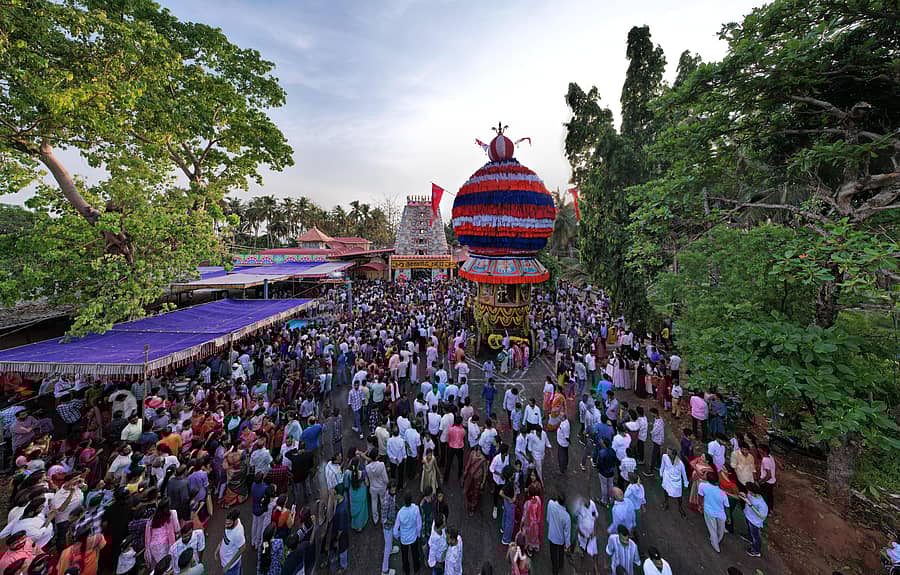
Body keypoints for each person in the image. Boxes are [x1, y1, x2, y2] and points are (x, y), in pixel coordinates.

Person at [699, 473, 729, 552]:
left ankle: (715, 545)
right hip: (721, 514)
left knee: (712, 529)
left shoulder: (702, 485)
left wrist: (701, 506)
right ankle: (717, 541)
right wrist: (728, 517)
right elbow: (727, 506)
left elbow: (700, 497)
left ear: (707, 479)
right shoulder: (722, 493)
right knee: (721, 530)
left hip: (709, 511)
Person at [393, 493, 422, 575]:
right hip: (414, 537)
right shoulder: (416, 509)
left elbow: (395, 530)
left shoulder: (400, 512)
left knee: (404, 556)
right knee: (415, 554)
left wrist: (398, 535)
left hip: (404, 539)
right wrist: (418, 534)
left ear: (404, 502)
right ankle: (416, 569)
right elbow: (419, 524)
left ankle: (407, 571)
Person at [739, 482, 769, 558]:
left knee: (756, 537)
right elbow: (748, 498)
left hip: (755, 522)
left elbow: (762, 516)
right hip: (748, 516)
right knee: (750, 530)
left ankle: (756, 551)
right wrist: (744, 496)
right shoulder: (750, 494)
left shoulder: (762, 504)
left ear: (753, 491)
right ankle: (749, 538)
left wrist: (750, 505)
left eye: (749, 491)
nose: (748, 492)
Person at [660, 447, 689, 517]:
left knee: (679, 495)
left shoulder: (680, 463)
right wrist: (661, 473)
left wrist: (686, 483)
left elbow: (684, 474)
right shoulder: (665, 457)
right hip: (667, 478)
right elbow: (662, 465)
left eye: (669, 454)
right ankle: (666, 503)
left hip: (676, 481)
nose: (667, 455)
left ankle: (680, 507)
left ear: (674, 455)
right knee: (665, 490)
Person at [546, 493, 571, 575]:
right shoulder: (566, 516)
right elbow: (567, 533)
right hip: (560, 539)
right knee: (560, 552)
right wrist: (567, 545)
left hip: (552, 535)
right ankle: (561, 564)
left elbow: (548, 517)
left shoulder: (550, 504)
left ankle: (555, 570)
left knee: (553, 554)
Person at [217, 509, 245, 575]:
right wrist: (218, 548)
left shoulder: (238, 533)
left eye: (228, 524)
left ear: (235, 521)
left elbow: (242, 548)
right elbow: (225, 537)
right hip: (226, 561)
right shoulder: (230, 525)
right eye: (225, 523)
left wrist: (228, 566)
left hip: (232, 567)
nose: (226, 526)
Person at [380, 482, 399, 575]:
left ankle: (391, 549)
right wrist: (392, 522)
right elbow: (383, 519)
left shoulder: (392, 496)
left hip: (391, 525)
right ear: (389, 489)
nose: (394, 491)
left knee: (390, 542)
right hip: (387, 527)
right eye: (392, 489)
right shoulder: (386, 501)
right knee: (386, 547)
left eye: (394, 489)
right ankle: (385, 570)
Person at [462, 446, 487, 516]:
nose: (478, 453)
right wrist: (465, 472)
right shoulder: (472, 454)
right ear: (475, 451)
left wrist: (483, 482)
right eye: (477, 451)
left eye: (480, 452)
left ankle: (472, 508)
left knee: (475, 493)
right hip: (470, 476)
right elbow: (468, 464)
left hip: (478, 478)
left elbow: (485, 471)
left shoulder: (483, 459)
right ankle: (468, 503)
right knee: (467, 490)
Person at [520, 487, 544, 554]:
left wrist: (521, 524)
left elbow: (524, 516)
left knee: (529, 537)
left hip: (529, 523)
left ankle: (530, 549)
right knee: (535, 535)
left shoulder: (527, 503)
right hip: (536, 522)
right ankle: (536, 546)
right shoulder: (538, 499)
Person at [758, 444, 776, 510]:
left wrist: (761, 482)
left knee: (764, 497)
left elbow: (769, 475)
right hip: (772, 482)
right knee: (770, 496)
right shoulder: (770, 457)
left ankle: (765, 510)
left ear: (764, 451)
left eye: (760, 450)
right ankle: (770, 509)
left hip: (767, 482)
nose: (758, 451)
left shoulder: (765, 460)